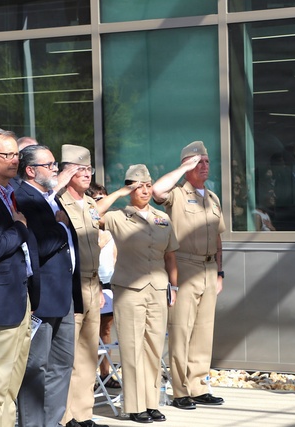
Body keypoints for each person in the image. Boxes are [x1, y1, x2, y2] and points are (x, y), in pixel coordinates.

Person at [151, 141, 226, 410]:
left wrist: (219, 272)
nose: (205, 166)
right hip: (184, 267)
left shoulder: (213, 197)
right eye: (199, 162)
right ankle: (180, 390)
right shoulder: (178, 194)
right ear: (187, 165)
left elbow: (217, 239)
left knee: (204, 331)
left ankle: (199, 386)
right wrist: (183, 168)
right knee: (181, 330)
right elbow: (157, 191)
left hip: (207, 269)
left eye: (206, 161)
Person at [101, 164, 178, 423]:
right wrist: (120, 193)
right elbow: (92, 214)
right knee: (132, 348)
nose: (144, 190)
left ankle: (151, 402)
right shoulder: (117, 216)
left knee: (154, 347)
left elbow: (170, 255)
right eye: (137, 185)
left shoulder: (162, 218)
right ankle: (133, 406)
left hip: (158, 287)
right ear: (129, 187)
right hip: (129, 289)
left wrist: (174, 287)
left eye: (147, 185)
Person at [15, 144, 81, 427]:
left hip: (63, 295)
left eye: (55, 164)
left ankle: (52, 422)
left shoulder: (51, 198)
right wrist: (60, 226)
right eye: (50, 165)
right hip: (41, 297)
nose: (55, 169)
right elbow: (38, 244)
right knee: (36, 366)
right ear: (31, 171)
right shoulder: (24, 196)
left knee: (62, 365)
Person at [0, 128, 39, 427]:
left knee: (13, 382)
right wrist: (20, 227)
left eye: (17, 154)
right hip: (0, 300)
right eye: (7, 154)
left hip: (21, 296)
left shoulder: (10, 192)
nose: (14, 160)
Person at [58, 145, 112, 427]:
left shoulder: (90, 204)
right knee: (68, 354)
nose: (86, 174)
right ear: (66, 172)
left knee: (89, 353)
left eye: (89, 169)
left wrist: (100, 287)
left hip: (92, 284)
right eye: (80, 169)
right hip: (70, 286)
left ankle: (83, 413)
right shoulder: (58, 203)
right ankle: (66, 417)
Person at [88, 183, 120, 387]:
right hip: (90, 283)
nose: (103, 202)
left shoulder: (114, 225)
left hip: (110, 284)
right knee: (89, 331)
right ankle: (87, 376)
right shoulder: (88, 224)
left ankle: (106, 373)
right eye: (98, 198)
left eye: (104, 197)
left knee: (106, 330)